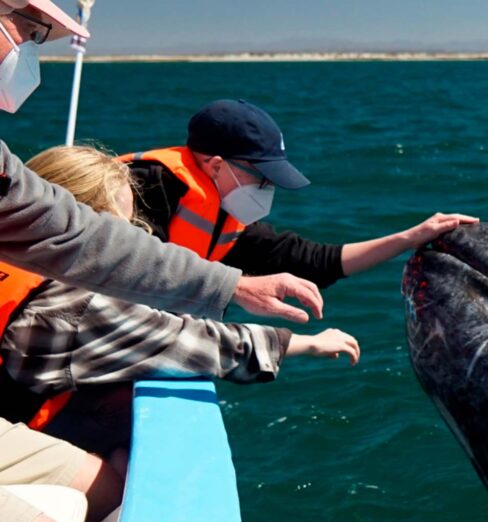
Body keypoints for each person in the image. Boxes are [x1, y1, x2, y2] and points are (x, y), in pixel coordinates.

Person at [0, 0, 319, 522]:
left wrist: (232, 284)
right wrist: (287, 335)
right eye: (29, 30)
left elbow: (81, 241)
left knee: (111, 483)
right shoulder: (68, 306)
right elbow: (182, 339)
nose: (28, 55)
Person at [2, 145, 362, 462]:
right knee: (112, 486)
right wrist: (306, 343)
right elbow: (185, 342)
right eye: (116, 229)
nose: (131, 238)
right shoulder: (73, 306)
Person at [125, 98, 478, 286]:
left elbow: (318, 261)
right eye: (261, 177)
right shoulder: (146, 185)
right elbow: (130, 268)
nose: (268, 188)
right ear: (217, 166)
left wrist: (410, 237)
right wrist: (240, 290)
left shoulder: (227, 221)